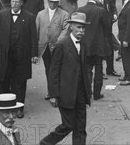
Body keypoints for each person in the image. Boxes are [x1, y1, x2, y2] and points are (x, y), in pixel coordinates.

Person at [39, 12, 92, 145]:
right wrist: (53, 95)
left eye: (83, 28)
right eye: (78, 27)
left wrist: (88, 91)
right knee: (69, 125)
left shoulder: (83, 44)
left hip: (80, 92)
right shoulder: (62, 44)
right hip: (66, 93)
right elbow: (53, 72)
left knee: (80, 126)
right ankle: (46, 143)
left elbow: (84, 69)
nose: (81, 31)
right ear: (71, 27)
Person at [0, 0, 38, 117]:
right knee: (3, 80)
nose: (15, 4)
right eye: (13, 1)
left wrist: (34, 54)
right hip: (5, 55)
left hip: (22, 56)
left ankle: (19, 108)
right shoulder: (0, 16)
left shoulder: (29, 17)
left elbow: (34, 37)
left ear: (22, 3)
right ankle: (2, 107)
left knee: (20, 82)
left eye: (17, 2)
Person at [77, 0, 111, 99]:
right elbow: (108, 27)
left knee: (87, 70)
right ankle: (97, 93)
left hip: (85, 45)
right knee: (99, 70)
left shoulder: (80, 10)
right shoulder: (100, 10)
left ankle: (87, 92)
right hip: (99, 45)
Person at [36, 0, 69, 100]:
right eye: (51, 1)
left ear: (58, 2)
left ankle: (58, 91)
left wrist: (59, 42)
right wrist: (35, 50)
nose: (53, 4)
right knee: (48, 69)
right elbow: (36, 31)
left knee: (58, 69)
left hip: (58, 47)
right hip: (44, 47)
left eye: (55, 2)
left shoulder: (64, 14)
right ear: (48, 1)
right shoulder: (40, 14)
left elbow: (66, 29)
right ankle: (51, 91)